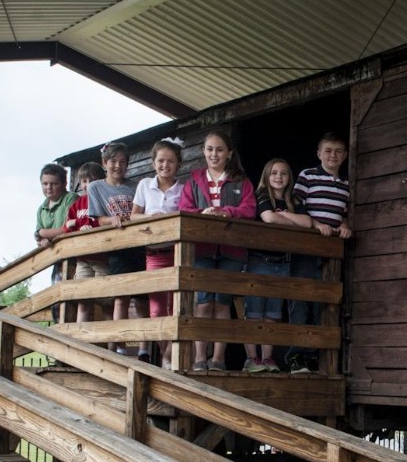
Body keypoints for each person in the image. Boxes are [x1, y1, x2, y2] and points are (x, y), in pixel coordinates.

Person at [179, 130, 255, 371]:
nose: (214, 154)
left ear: (229, 153)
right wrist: (202, 214)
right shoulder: (193, 181)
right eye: (210, 149)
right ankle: (200, 358)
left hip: (231, 250)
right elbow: (184, 208)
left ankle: (219, 359)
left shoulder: (241, 181)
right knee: (202, 303)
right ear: (203, 151)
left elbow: (249, 209)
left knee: (222, 303)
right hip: (201, 249)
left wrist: (226, 212)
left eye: (220, 149)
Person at [286, 132, 351, 374]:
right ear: (319, 153)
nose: (332, 155)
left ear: (344, 156)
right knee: (300, 302)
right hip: (306, 247)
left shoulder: (345, 185)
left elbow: (343, 212)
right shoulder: (308, 175)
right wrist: (314, 225)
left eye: (337, 151)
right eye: (328, 150)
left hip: (329, 252)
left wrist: (344, 225)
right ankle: (296, 358)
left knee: (322, 305)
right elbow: (295, 204)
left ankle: (315, 358)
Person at [243, 158, 312, 373]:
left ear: (289, 177)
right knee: (254, 311)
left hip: (281, 262)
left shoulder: (294, 199)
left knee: (272, 313)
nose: (279, 177)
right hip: (258, 260)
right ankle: (252, 359)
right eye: (274, 173)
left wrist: (286, 215)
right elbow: (269, 219)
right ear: (267, 176)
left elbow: (307, 222)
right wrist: (290, 220)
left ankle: (268, 359)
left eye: (283, 173)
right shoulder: (262, 195)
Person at [88, 142, 150, 360]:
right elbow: (96, 218)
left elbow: (143, 211)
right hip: (117, 247)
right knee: (121, 299)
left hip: (140, 246)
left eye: (123, 162)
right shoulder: (95, 187)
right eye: (113, 161)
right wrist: (111, 219)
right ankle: (119, 347)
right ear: (105, 163)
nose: (118, 166)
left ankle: (144, 349)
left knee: (143, 300)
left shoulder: (136, 186)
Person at [132, 138, 185, 368]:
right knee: (156, 308)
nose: (165, 165)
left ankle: (168, 358)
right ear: (154, 163)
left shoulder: (183, 189)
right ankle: (166, 355)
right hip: (153, 253)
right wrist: (150, 218)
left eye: (170, 161)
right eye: (161, 160)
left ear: (178, 164)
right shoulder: (145, 185)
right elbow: (133, 215)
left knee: (175, 307)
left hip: (177, 253)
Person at [62, 162, 106, 325]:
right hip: (83, 259)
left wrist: (92, 228)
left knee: (106, 301)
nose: (87, 185)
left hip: (103, 259)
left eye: (92, 181)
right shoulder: (77, 204)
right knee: (83, 300)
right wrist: (72, 226)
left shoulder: (104, 201)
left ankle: (114, 347)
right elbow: (67, 229)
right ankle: (81, 341)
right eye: (84, 181)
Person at [34, 163, 73, 322]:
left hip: (73, 256)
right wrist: (41, 239)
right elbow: (38, 238)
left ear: (64, 184)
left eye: (54, 183)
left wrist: (43, 233)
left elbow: (69, 228)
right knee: (56, 298)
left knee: (72, 297)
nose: (49, 187)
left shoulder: (70, 199)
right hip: (55, 258)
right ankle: (60, 332)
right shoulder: (42, 208)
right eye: (45, 183)